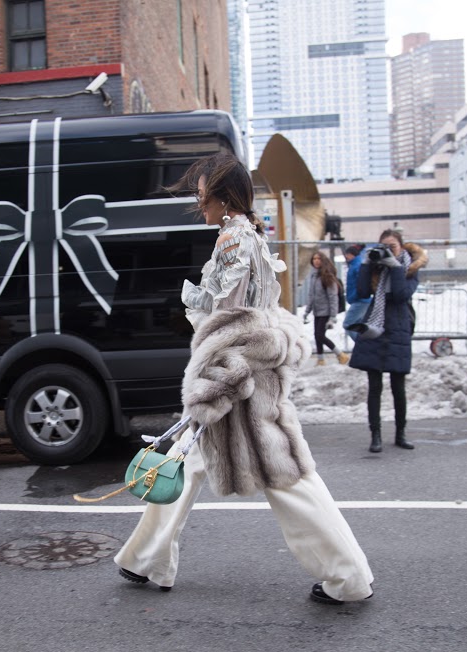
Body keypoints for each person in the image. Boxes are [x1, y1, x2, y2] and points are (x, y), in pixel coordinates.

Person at [114, 152, 374, 605]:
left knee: (287, 479)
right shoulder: (245, 234)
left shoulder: (233, 239)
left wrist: (210, 387)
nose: (199, 200)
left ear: (222, 194)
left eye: (202, 190)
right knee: (185, 463)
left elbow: (231, 321)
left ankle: (349, 577)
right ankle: (147, 560)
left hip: (239, 381)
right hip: (245, 376)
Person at [347, 229, 427, 453]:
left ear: (402, 247)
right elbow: (362, 292)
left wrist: (395, 266)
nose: (388, 251)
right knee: (374, 386)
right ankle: (376, 435)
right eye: (384, 246)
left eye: (392, 246)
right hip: (375, 324)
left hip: (398, 326)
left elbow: (401, 295)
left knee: (398, 386)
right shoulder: (375, 266)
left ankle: (401, 433)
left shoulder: (411, 268)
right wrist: (366, 264)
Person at [304, 251, 350, 365]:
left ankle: (341, 354)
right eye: (314, 259)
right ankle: (320, 359)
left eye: (319, 259)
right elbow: (311, 295)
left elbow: (333, 297)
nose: (316, 261)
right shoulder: (314, 276)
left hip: (326, 311)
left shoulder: (327, 277)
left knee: (320, 335)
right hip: (317, 311)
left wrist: (333, 316)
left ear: (323, 261)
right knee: (317, 335)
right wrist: (307, 311)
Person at [341, 244, 372, 343]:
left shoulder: (357, 265)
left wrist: (356, 295)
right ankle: (364, 347)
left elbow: (362, 282)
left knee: (348, 324)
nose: (346, 257)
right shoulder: (355, 264)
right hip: (359, 300)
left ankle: (362, 345)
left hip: (360, 300)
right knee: (359, 326)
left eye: (348, 254)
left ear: (352, 254)